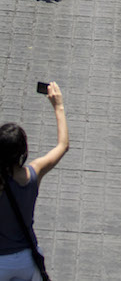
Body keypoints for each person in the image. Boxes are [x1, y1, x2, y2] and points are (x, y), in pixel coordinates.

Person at [0, 83, 69, 281]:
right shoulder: (33, 174)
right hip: (26, 261)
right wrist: (58, 107)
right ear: (23, 152)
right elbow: (63, 145)